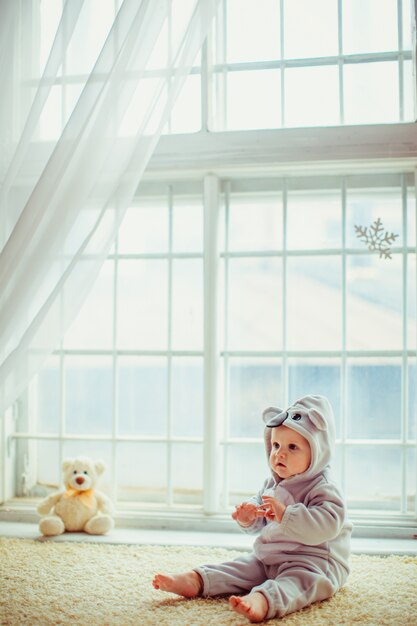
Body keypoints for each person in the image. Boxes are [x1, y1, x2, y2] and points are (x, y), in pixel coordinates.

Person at [152, 394, 352, 623]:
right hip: (270, 558)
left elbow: (328, 524)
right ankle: (195, 580)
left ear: (318, 451)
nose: (280, 453)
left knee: (296, 585)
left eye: (292, 447)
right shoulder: (275, 482)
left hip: (313, 563)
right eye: (276, 445)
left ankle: (262, 600)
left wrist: (285, 514)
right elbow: (261, 508)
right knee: (241, 567)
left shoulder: (323, 488)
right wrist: (250, 515)